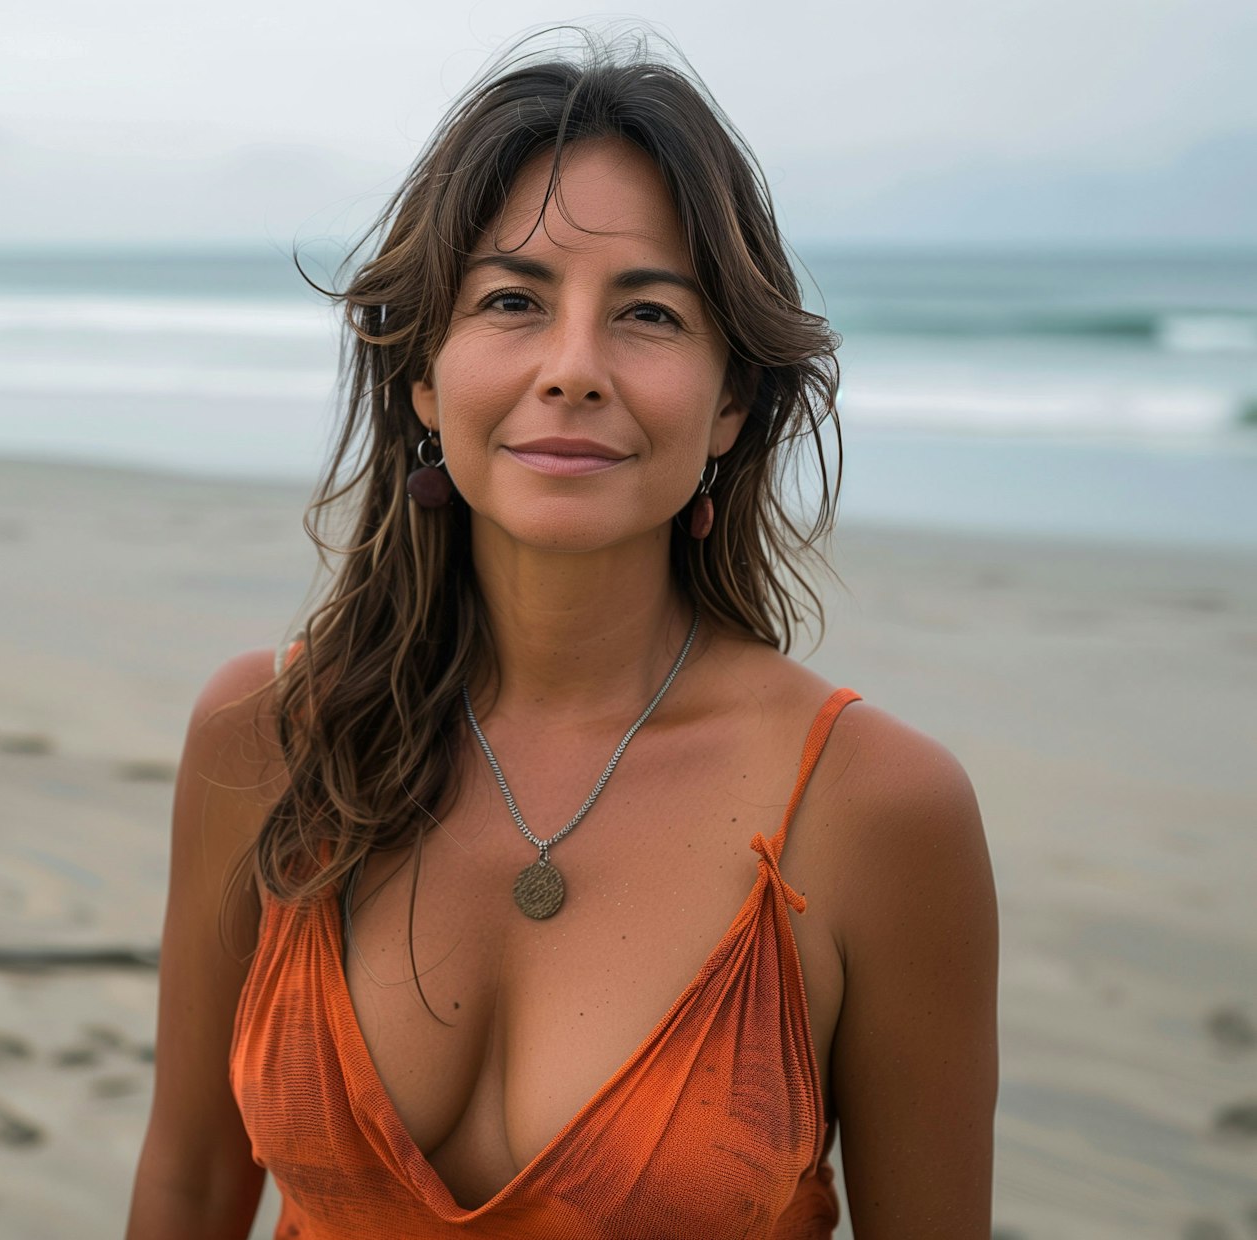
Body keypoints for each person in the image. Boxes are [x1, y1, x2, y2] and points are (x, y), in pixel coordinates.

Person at [126, 32, 997, 1240]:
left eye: (648, 312)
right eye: (512, 302)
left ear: (732, 401)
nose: (574, 368)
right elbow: (182, 1188)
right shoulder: (266, 739)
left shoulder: (877, 809)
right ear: (425, 374)